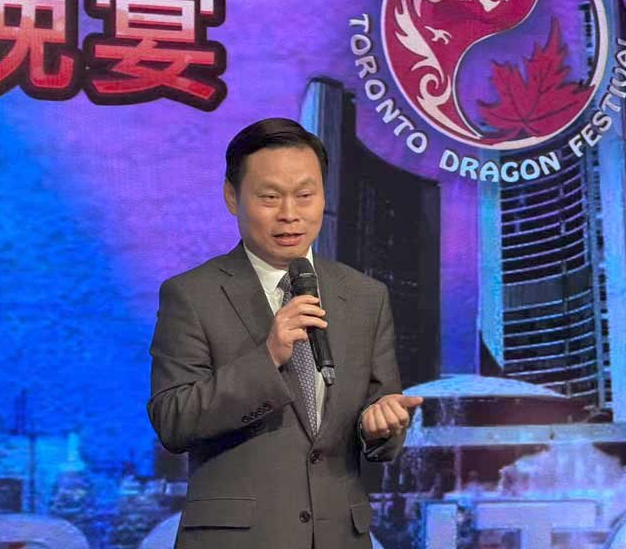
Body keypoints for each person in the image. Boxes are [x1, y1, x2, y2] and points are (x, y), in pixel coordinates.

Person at [148, 117, 422, 549]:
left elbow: (378, 422)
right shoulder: (192, 294)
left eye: (305, 195)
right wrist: (269, 357)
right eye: (270, 197)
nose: (290, 214)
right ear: (232, 197)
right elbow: (173, 420)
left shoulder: (365, 296)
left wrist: (381, 427)